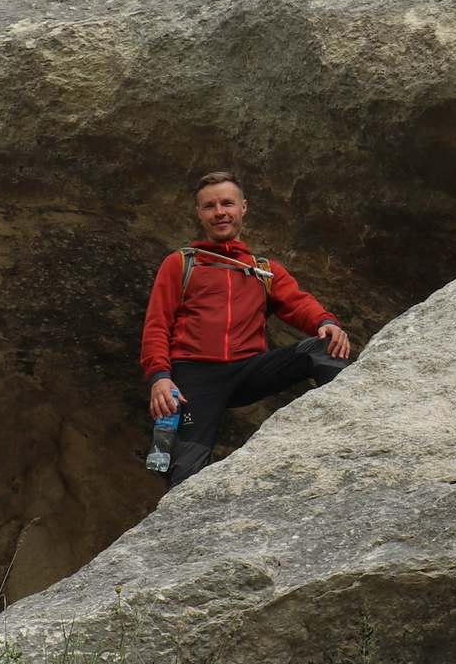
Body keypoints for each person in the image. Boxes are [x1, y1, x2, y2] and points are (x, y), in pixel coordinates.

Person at [140, 171, 355, 486]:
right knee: (185, 473)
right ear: (199, 214)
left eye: (227, 203)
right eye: (210, 206)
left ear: (243, 207)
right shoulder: (182, 264)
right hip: (194, 379)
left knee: (325, 347)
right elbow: (157, 325)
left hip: (248, 370)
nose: (220, 212)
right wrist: (159, 378)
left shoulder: (264, 270)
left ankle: (344, 431)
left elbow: (298, 304)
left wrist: (326, 322)